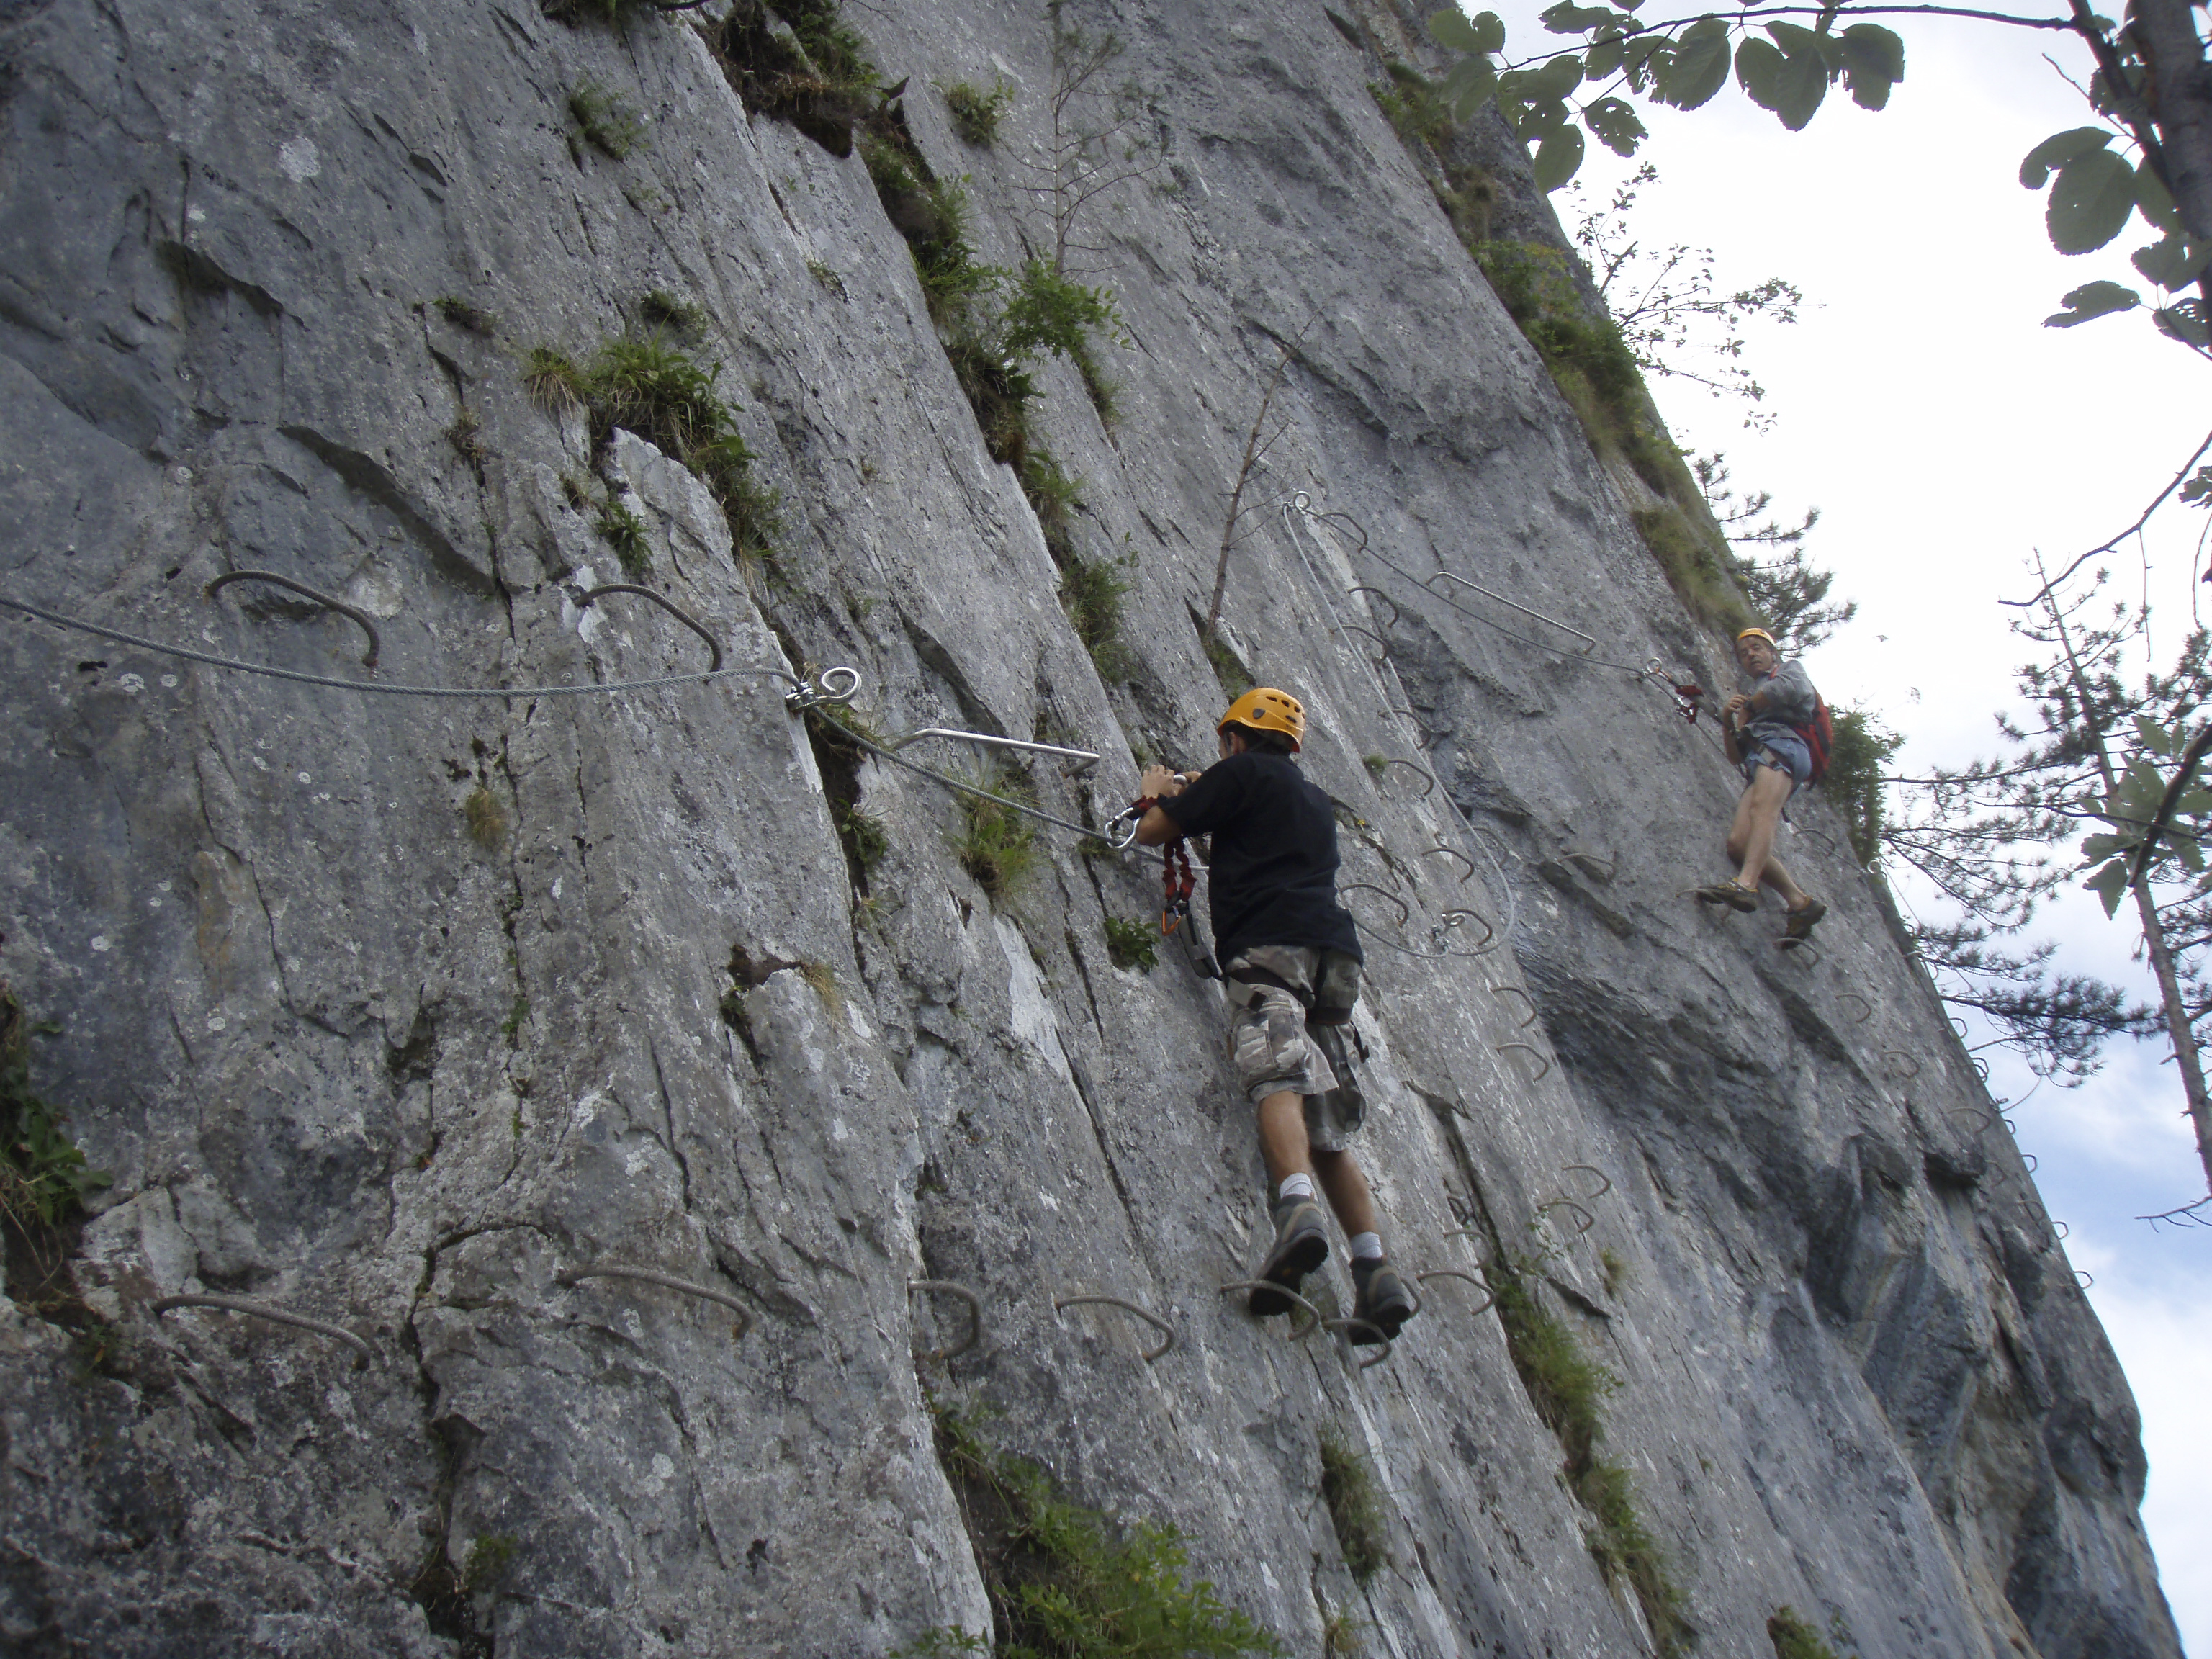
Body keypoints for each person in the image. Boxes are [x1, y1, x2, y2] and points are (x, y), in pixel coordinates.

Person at [1131, 687, 1416, 1342]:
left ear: (1235, 737)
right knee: (1326, 1115)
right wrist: (1211, 794)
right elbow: (1243, 841)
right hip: (1333, 958)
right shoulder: (1312, 801)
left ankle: (1296, 1212)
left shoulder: (1240, 773)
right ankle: (1375, 1271)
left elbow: (1153, 830)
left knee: (1276, 1074)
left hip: (1272, 947)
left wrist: (1155, 789)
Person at [1698, 627, 1827, 945]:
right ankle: (1800, 903)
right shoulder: (1753, 697)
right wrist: (1730, 720)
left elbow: (1790, 689)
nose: (1750, 655)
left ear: (1773, 653)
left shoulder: (1788, 670)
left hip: (1785, 749)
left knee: (1763, 812)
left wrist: (1748, 708)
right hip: (1761, 759)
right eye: (1744, 654)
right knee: (1738, 843)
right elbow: (1734, 756)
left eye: (1756, 648)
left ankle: (1745, 885)